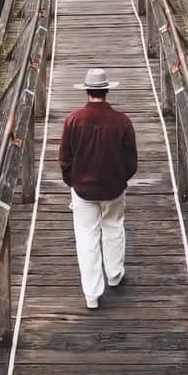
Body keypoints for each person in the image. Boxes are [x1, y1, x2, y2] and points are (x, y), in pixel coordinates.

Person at [59, 67, 138, 310]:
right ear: (105, 91)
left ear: (88, 91)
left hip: (82, 189)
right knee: (114, 228)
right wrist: (120, 179)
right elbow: (131, 162)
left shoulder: (73, 120)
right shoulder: (122, 121)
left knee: (86, 238)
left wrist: (72, 181)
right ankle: (114, 274)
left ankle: (92, 294)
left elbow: (65, 158)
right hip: (114, 187)